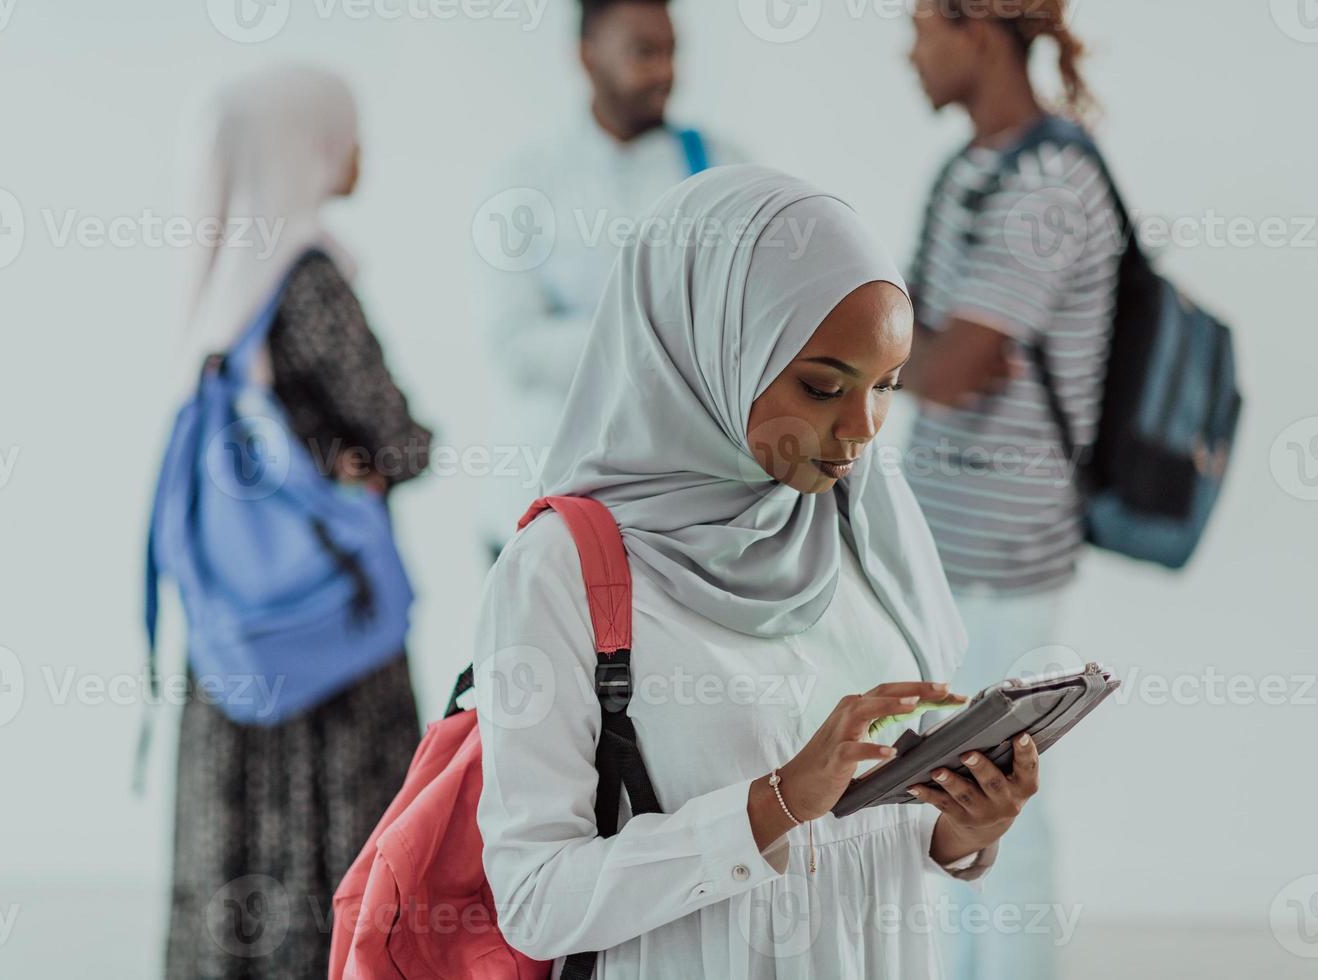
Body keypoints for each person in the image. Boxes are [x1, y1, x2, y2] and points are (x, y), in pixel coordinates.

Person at [474, 165, 1046, 978]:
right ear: (709, 344)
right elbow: (535, 900)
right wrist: (770, 806)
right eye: (822, 387)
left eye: (886, 386)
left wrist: (965, 832)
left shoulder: (861, 524)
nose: (861, 432)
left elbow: (887, 834)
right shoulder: (559, 571)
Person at [164, 66, 431, 980]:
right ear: (305, 147)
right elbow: (399, 437)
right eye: (346, 131)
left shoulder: (218, 287)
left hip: (242, 641)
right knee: (345, 865)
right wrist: (365, 462)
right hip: (331, 646)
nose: (359, 151)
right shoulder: (309, 277)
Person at [899, 2, 1120, 977]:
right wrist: (917, 350)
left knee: (1002, 809)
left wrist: (862, 354)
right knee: (934, 811)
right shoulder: (966, 171)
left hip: (1006, 552)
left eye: (920, 27)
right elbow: (927, 346)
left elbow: (950, 366)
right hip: (939, 545)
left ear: (977, 33)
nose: (908, 51)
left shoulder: (1052, 180)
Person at [475, 0, 746, 558]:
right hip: (548, 494)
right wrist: (650, 340)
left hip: (683, 508)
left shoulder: (723, 170)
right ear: (586, 56)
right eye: (645, 52)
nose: (666, 71)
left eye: (672, 51)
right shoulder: (527, 181)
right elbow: (514, 345)